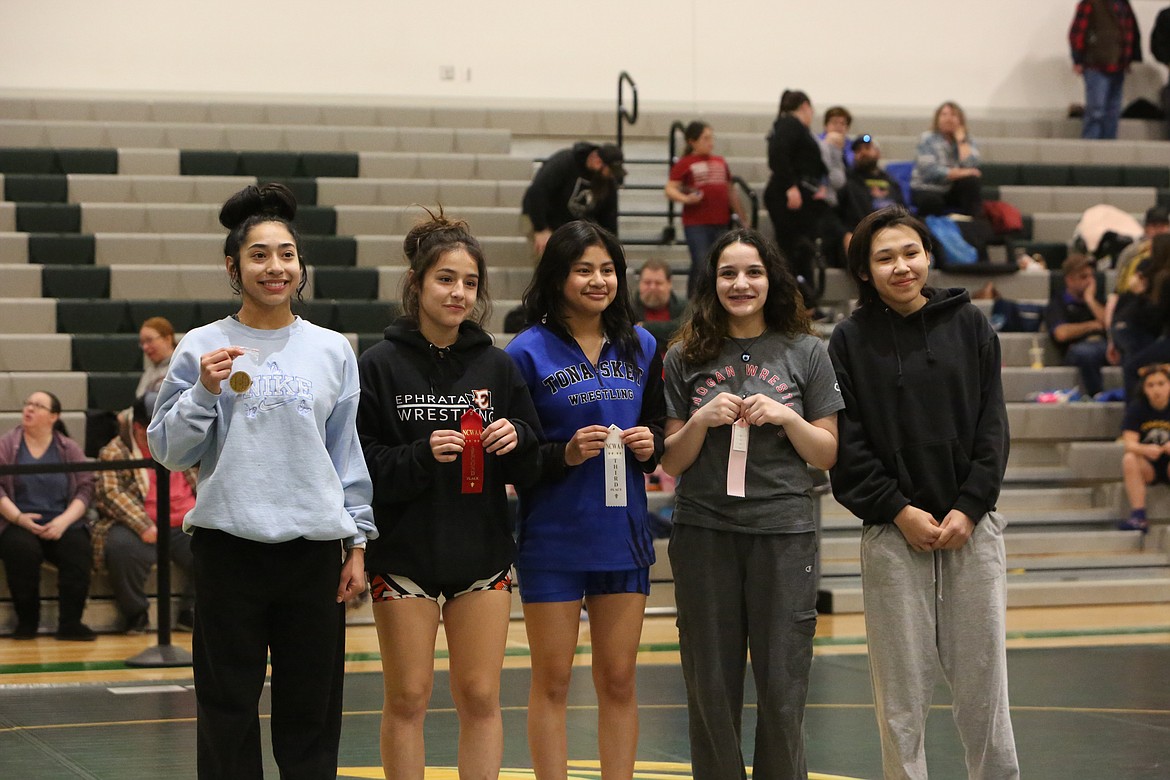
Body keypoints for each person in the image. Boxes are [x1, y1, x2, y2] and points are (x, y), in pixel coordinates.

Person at [147, 183, 376, 780]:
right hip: (228, 550)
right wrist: (203, 391)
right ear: (233, 266)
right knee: (226, 712)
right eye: (259, 255)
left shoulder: (333, 350)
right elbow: (169, 452)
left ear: (300, 265)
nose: (275, 267)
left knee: (312, 715)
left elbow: (344, 453)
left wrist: (356, 541)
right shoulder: (201, 346)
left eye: (286, 254)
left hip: (313, 555)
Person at [828, 205, 1019, 779]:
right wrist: (898, 510)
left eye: (910, 253)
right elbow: (848, 447)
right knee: (901, 702)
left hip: (972, 532)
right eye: (884, 258)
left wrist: (969, 506)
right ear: (864, 270)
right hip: (893, 535)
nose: (901, 267)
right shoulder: (849, 340)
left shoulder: (971, 326)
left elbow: (993, 427)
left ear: (928, 256)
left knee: (986, 693)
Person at [356, 209, 541, 779]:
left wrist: (517, 439)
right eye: (445, 279)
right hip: (404, 555)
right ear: (416, 284)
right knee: (408, 698)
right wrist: (418, 454)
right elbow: (359, 465)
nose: (458, 293)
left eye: (469, 283)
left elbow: (532, 464)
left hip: (481, 555)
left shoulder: (498, 365)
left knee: (482, 696)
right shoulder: (377, 365)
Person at [660, 228, 843, 778]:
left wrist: (788, 417)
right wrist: (700, 418)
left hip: (783, 534)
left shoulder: (808, 352)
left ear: (772, 279)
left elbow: (828, 453)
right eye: (728, 273)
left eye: (753, 272)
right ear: (711, 282)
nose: (741, 283)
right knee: (710, 689)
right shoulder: (682, 356)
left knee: (783, 689)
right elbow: (671, 461)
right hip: (704, 533)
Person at [504, 220, 665, 779]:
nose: (598, 280)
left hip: (622, 538)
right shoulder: (525, 352)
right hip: (552, 539)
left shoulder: (642, 344)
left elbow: (655, 432)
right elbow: (517, 456)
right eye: (583, 270)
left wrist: (651, 443)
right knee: (551, 681)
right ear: (557, 277)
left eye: (607, 270)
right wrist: (564, 453)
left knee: (619, 679)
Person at [93, 394, 196, 634]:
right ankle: (136, 613)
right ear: (139, 427)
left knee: (213, 545)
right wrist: (143, 525)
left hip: (185, 520)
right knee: (121, 548)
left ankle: (190, 610)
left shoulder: (183, 441)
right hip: (140, 523)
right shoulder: (115, 451)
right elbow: (110, 493)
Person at [0, 390, 95, 640]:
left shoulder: (68, 447)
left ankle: (70, 623)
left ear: (54, 416)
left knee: (78, 548)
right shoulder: (7, 444)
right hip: (17, 520)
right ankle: (27, 622)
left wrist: (63, 521)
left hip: (61, 521)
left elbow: (86, 488)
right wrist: (19, 518)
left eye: (38, 406)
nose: (29, 409)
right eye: (28, 404)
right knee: (21, 550)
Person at [664, 121, 748, 298]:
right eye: (705, 138)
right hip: (697, 223)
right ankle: (693, 300)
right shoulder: (685, 163)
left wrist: (742, 217)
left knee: (719, 262)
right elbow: (670, 189)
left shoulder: (720, 162)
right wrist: (686, 199)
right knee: (701, 261)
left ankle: (714, 298)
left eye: (711, 138)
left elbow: (730, 190)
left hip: (720, 221)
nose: (710, 142)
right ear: (692, 141)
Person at [764, 89, 832, 283]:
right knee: (795, 250)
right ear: (805, 107)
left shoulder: (792, 128)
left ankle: (804, 299)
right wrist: (790, 187)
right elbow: (778, 155)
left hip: (802, 193)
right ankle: (799, 299)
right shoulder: (790, 124)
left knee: (801, 250)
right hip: (788, 195)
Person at [522, 141, 626, 257]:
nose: (611, 176)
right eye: (610, 171)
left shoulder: (608, 182)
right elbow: (537, 191)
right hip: (540, 215)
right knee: (547, 259)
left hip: (572, 226)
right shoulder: (565, 161)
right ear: (597, 161)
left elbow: (609, 218)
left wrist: (611, 247)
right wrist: (540, 229)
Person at [1069, 0, 1142, 140]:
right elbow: (1076, 33)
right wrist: (1077, 58)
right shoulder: (1091, 3)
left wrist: (1129, 58)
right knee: (1096, 111)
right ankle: (1090, 150)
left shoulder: (1124, 4)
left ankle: (1108, 152)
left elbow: (1130, 31)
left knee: (1113, 113)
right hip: (1096, 65)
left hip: (1118, 65)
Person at [1047, 253, 1109, 397]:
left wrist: (1090, 300)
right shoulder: (1058, 302)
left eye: (1091, 276)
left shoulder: (1098, 300)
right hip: (1075, 350)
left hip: (1104, 347)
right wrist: (1092, 325)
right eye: (1083, 277)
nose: (1089, 281)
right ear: (1069, 280)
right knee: (1085, 353)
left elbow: (1108, 324)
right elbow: (1061, 333)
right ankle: (1097, 395)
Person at [1119, 362, 1170, 532]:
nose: (1156, 390)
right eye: (1151, 385)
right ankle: (1138, 516)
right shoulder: (1137, 408)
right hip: (1148, 465)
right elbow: (1129, 443)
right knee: (1129, 458)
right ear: (1144, 389)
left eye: (1161, 384)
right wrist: (1145, 449)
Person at [909, 101, 982, 217]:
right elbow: (930, 171)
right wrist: (963, 172)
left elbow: (972, 166)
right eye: (944, 115)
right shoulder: (927, 138)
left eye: (953, 115)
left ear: (960, 120)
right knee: (932, 201)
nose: (948, 119)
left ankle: (974, 224)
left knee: (971, 182)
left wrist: (961, 141)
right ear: (937, 118)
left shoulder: (967, 140)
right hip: (927, 188)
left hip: (950, 189)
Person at [838, 134, 907, 241]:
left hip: (895, 232)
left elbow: (904, 210)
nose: (863, 153)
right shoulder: (847, 181)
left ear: (878, 153)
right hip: (863, 235)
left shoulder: (891, 181)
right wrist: (845, 234)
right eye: (858, 151)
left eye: (867, 148)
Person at [632, 258, 688, 360]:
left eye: (658, 283)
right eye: (647, 283)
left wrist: (644, 327)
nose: (652, 287)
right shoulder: (628, 308)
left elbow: (685, 331)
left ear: (669, 283)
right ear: (639, 283)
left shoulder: (685, 307)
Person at [137, 316, 177, 398]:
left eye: (149, 340)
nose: (145, 347)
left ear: (168, 339)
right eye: (142, 343)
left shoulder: (180, 369)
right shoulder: (149, 372)